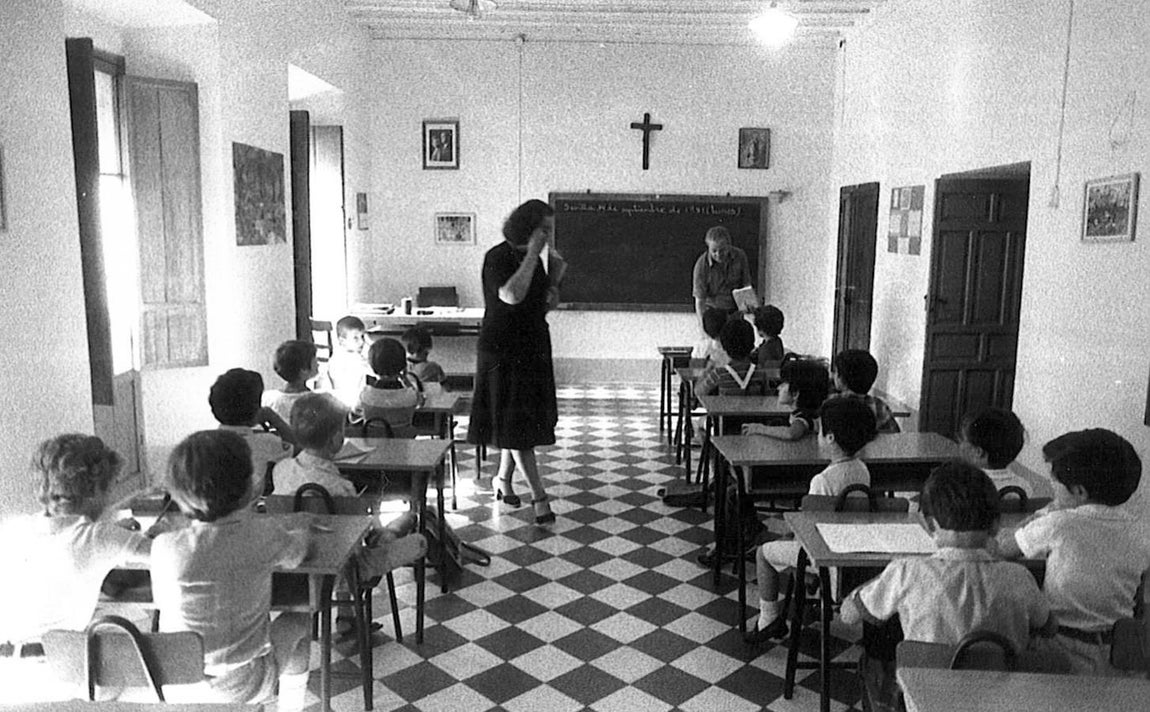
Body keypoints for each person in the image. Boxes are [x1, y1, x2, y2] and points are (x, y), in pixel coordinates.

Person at [842, 462, 1052, 710]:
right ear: (996, 525)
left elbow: (848, 615)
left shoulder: (906, 571)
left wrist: (870, 586)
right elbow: (1048, 627)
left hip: (927, 702)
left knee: (874, 653)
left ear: (930, 525)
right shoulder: (1019, 576)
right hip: (1001, 703)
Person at [151, 430, 313, 710]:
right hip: (244, 683)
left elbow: (164, 602)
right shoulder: (264, 533)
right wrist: (304, 529)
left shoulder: (165, 546)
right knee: (299, 622)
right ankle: (291, 707)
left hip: (176, 681)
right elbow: (297, 555)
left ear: (178, 494)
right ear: (251, 486)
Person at [0, 435, 153, 703]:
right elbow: (175, 555)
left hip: (7, 680)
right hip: (57, 681)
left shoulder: (12, 528)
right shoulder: (97, 537)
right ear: (95, 489)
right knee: (139, 665)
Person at [996, 429, 1150, 675]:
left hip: (1059, 647)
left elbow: (1003, 548)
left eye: (1054, 482)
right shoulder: (1142, 530)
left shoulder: (1058, 523)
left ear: (1079, 492)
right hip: (1118, 653)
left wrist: (1040, 514)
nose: (1051, 487)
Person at [746, 398, 878, 642]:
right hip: (853, 554)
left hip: (825, 557)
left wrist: (791, 536)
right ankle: (809, 587)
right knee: (791, 544)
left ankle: (769, 620)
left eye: (820, 431)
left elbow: (809, 533)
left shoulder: (822, 481)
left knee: (763, 553)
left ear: (830, 438)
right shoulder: (862, 469)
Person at [467, 199, 565, 525]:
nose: (548, 236)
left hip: (532, 346)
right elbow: (510, 295)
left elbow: (537, 308)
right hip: (503, 351)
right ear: (528, 227)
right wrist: (532, 257)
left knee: (518, 422)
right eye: (544, 230)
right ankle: (540, 498)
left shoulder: (533, 261)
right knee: (518, 426)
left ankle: (503, 480)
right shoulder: (497, 257)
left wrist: (554, 285)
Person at [272, 392, 426, 579]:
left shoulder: (280, 471)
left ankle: (393, 530)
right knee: (418, 541)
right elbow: (360, 535)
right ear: (336, 438)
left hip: (294, 568)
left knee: (394, 526)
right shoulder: (341, 487)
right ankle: (391, 535)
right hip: (345, 565)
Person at [209, 367, 293, 497]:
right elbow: (299, 447)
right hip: (251, 509)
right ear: (255, 409)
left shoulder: (208, 442)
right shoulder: (266, 442)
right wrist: (273, 418)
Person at [742, 354, 830, 440]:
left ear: (795, 394)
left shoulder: (803, 416)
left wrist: (759, 428)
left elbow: (791, 433)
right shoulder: (807, 412)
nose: (778, 387)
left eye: (784, 384)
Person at [358, 337, 425, 438]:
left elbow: (355, 412)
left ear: (372, 366)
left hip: (373, 449)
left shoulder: (366, 394)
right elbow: (421, 402)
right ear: (403, 365)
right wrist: (406, 381)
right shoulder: (410, 396)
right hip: (402, 449)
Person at [957, 408, 1033, 495]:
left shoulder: (963, 486)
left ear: (978, 452)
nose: (959, 444)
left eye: (962, 439)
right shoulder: (1023, 486)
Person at [691, 226, 752, 334]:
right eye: (714, 251)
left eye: (722, 250)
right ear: (708, 247)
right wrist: (703, 330)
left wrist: (748, 308)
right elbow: (700, 301)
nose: (718, 254)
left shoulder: (740, 257)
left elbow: (746, 285)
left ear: (729, 246)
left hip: (735, 314)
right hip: (713, 316)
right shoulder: (701, 265)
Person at [694, 317, 772, 398]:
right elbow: (767, 398)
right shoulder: (760, 373)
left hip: (724, 410)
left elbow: (698, 392)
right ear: (752, 345)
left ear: (724, 347)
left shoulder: (719, 373)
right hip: (754, 410)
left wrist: (707, 370)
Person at [828, 349, 900, 433]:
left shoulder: (830, 404)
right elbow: (894, 435)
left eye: (836, 372)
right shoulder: (879, 406)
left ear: (841, 379)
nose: (833, 375)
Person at [262, 340, 319, 423]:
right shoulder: (316, 402)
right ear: (303, 369)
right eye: (315, 360)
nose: (318, 364)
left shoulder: (268, 398)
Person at [327, 315, 371, 407]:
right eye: (356, 338)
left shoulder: (351, 355)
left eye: (362, 337)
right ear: (342, 341)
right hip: (347, 403)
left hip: (351, 401)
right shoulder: (342, 359)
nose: (361, 342)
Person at [402, 325, 447, 394]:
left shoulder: (401, 367)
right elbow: (446, 389)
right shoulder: (434, 367)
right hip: (428, 401)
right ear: (427, 348)